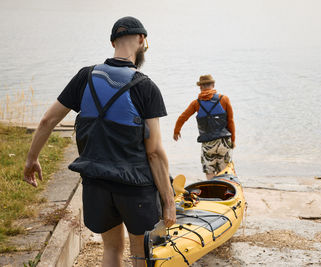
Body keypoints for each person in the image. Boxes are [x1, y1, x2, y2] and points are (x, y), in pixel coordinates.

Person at [23, 16, 176, 267]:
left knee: (112, 249)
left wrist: (32, 159)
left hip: (97, 184)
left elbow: (47, 121)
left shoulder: (86, 77)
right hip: (134, 187)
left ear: (112, 41)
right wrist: (169, 202)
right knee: (138, 252)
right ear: (142, 41)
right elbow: (155, 153)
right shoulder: (146, 87)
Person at [173, 75, 235, 180]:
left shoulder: (196, 103)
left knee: (209, 170)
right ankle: (225, 192)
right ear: (213, 85)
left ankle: (213, 190)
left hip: (208, 143)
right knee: (224, 171)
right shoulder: (224, 99)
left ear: (200, 87)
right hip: (224, 141)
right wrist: (233, 140)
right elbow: (231, 121)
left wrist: (176, 131)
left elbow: (182, 117)